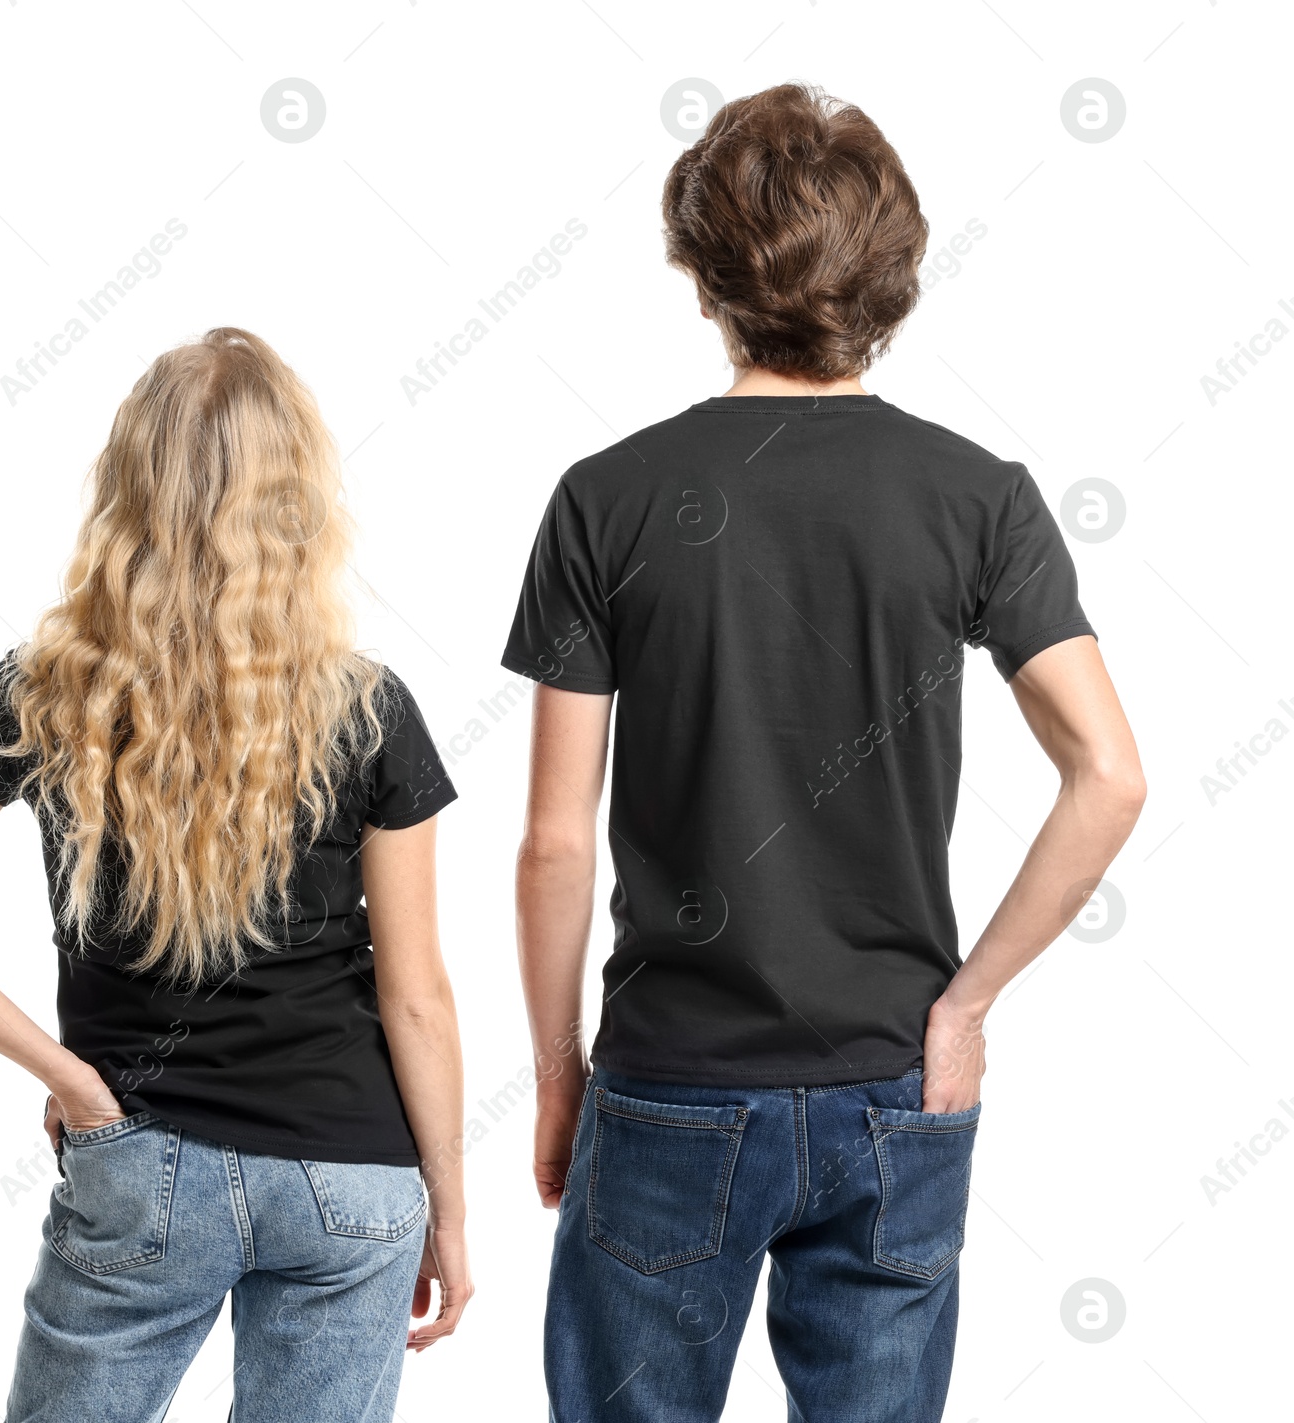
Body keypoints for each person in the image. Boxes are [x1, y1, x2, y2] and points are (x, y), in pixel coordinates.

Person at [502, 85, 1145, 1422]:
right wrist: (964, 1007)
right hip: (896, 1089)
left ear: (701, 275)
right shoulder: (981, 499)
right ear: (893, 279)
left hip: (670, 1082)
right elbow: (1111, 772)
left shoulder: (604, 500)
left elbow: (557, 837)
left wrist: (559, 1076)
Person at [0, 328, 470, 1422]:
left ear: (128, 485)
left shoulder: (46, 692)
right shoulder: (369, 708)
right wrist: (449, 1212)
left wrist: (78, 1083)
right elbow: (416, 993)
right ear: (298, 499)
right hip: (351, 1180)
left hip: (142, 1166)